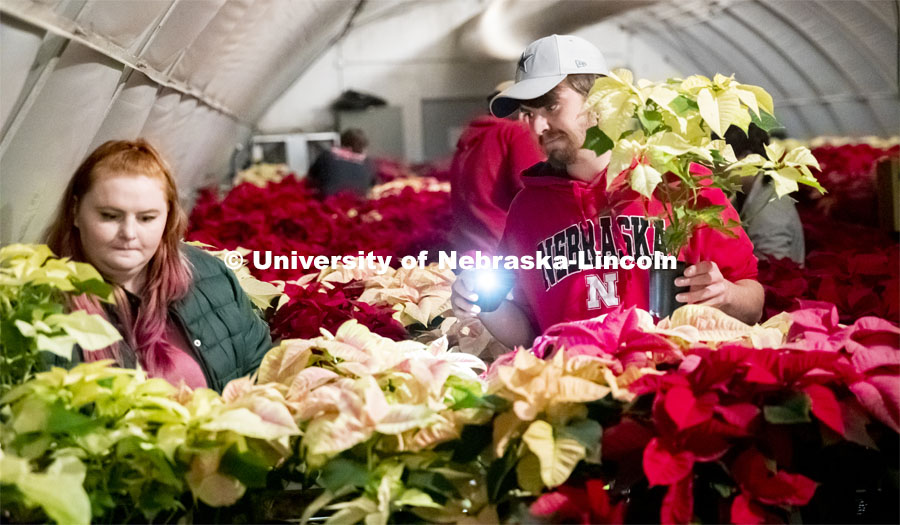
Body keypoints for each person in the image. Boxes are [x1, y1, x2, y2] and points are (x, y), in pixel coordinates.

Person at [451, 34, 764, 349]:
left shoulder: (679, 183)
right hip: (580, 386)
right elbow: (531, 330)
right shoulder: (527, 209)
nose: (537, 127)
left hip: (666, 382)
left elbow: (753, 301)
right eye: (529, 113)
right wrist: (484, 304)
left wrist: (728, 295)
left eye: (551, 105)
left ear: (600, 100)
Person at [44, 139, 272, 392]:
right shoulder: (43, 308)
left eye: (147, 218)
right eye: (110, 216)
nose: (129, 232)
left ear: (168, 216)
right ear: (75, 211)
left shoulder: (211, 277)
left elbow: (261, 376)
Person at [449, 82, 544, 254]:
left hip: (470, 253)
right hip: (506, 250)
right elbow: (535, 193)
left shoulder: (469, 138)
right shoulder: (515, 132)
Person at [724, 123, 805, 264]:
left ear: (748, 159)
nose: (715, 168)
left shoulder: (771, 208)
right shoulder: (746, 194)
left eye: (721, 160)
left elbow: (774, 271)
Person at [307, 128, 376, 197]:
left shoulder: (327, 155)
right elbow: (373, 185)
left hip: (329, 202)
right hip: (358, 203)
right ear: (363, 147)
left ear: (342, 142)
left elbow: (311, 177)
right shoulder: (368, 163)